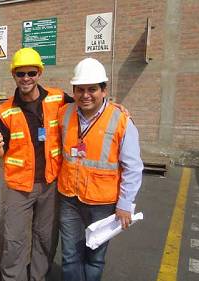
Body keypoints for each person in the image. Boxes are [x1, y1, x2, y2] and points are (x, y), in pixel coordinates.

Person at [0, 48, 71, 281]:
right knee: (14, 241)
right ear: (13, 75)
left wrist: (113, 108)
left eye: (31, 73)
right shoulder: (5, 111)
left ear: (39, 73)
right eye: (20, 73)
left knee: (45, 238)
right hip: (18, 187)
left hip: (50, 184)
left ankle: (38, 277)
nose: (26, 78)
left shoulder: (58, 98)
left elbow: (87, 109)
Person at [57, 58, 143, 281]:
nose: (86, 95)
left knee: (95, 258)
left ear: (104, 91)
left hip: (103, 204)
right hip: (69, 198)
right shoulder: (64, 113)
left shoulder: (121, 120)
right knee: (70, 255)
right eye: (80, 89)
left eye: (92, 89)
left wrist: (125, 204)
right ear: (73, 91)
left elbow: (133, 167)